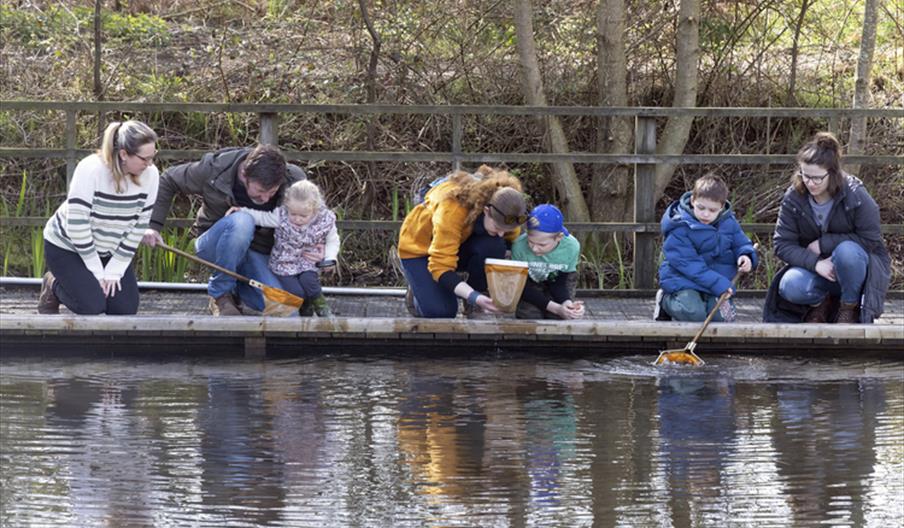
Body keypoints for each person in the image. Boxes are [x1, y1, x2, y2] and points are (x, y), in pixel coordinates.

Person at [143, 144, 306, 316]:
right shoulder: (215, 169)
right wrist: (153, 226)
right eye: (260, 191)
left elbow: (311, 223)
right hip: (215, 242)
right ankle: (221, 294)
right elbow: (169, 179)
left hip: (259, 251)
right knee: (242, 221)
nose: (265, 198)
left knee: (289, 312)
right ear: (244, 175)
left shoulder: (293, 180)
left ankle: (241, 293)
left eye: (271, 192)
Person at [763, 132, 890, 324]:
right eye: (805, 176)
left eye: (817, 178)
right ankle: (820, 303)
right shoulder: (793, 198)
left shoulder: (857, 195)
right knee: (790, 285)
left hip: (854, 271)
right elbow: (782, 244)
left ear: (832, 173)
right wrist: (816, 263)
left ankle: (849, 307)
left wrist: (824, 244)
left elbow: (871, 240)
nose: (810, 183)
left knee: (847, 253)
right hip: (817, 270)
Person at [38, 120, 159, 315]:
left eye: (153, 157)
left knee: (124, 309)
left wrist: (114, 271)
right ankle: (52, 284)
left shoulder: (151, 175)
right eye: (144, 159)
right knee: (91, 306)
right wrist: (97, 272)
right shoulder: (91, 169)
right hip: (68, 246)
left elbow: (138, 226)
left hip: (108, 247)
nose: (150, 164)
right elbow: (77, 226)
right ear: (123, 154)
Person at [397, 165, 528, 318]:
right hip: (420, 249)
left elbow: (517, 248)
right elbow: (441, 266)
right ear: (486, 211)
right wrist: (474, 296)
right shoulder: (452, 209)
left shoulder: (508, 208)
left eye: (505, 230)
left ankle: (474, 304)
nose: (501, 233)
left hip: (459, 242)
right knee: (441, 312)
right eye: (498, 227)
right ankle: (417, 294)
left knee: (495, 245)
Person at [226, 179, 339, 317]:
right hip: (284, 262)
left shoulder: (324, 220)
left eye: (303, 216)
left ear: (315, 210)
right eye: (293, 214)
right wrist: (242, 211)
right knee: (295, 292)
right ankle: (305, 309)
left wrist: (330, 257)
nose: (297, 219)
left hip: (308, 261)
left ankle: (322, 308)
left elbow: (333, 240)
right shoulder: (281, 216)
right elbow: (262, 217)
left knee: (310, 283)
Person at [656, 174, 758, 322]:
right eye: (701, 207)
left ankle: (705, 304)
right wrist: (719, 284)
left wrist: (746, 255)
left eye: (712, 210)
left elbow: (741, 243)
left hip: (716, 281)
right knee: (694, 314)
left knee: (723, 317)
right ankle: (664, 301)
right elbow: (689, 265)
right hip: (684, 279)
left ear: (721, 207)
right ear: (692, 201)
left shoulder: (728, 222)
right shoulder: (679, 226)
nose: (705, 214)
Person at [510, 204, 584, 320]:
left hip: (557, 280)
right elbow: (523, 287)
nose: (534, 249)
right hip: (529, 284)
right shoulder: (519, 246)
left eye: (542, 245)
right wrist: (555, 308)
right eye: (530, 242)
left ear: (559, 237)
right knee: (529, 316)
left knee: (558, 317)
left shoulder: (572, 247)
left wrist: (566, 303)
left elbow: (560, 283)